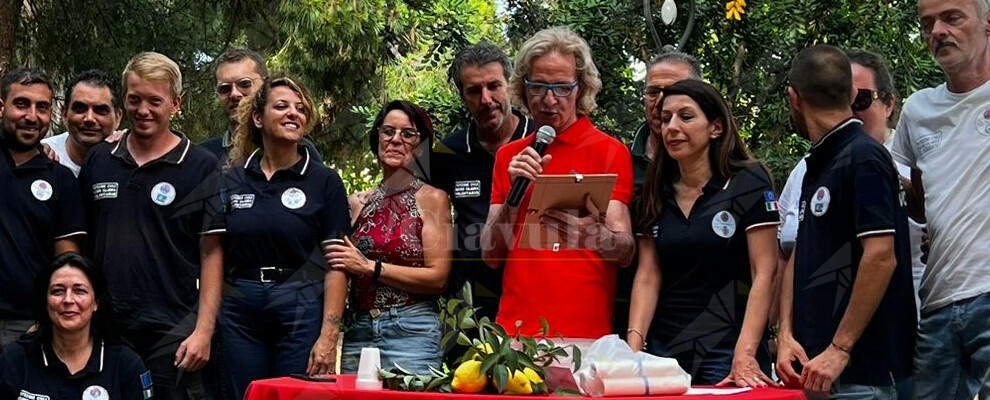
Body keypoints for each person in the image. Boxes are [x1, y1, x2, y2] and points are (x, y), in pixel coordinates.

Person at [78, 51, 224, 399]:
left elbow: (213, 253)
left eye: (155, 101)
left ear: (176, 103)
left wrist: (204, 330)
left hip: (172, 328)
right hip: (105, 325)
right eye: (134, 99)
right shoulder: (100, 159)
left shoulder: (201, 166)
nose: (143, 110)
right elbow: (79, 244)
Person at [776, 45, 915, 399]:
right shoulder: (816, 164)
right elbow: (798, 253)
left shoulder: (865, 157)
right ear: (852, 94)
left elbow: (881, 257)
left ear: (794, 98)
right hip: (814, 367)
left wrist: (840, 348)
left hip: (861, 372)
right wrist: (786, 334)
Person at [481, 26, 634, 340]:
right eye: (538, 86)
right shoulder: (509, 155)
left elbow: (626, 252)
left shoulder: (610, 152)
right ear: (523, 89)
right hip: (515, 335)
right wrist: (513, 196)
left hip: (585, 336)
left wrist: (594, 235)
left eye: (563, 88)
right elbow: (490, 255)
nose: (549, 100)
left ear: (581, 88)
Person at [626, 79, 778, 386]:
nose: (671, 127)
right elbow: (648, 275)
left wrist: (745, 352)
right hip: (664, 351)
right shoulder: (653, 192)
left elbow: (766, 271)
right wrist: (632, 351)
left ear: (716, 128)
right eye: (665, 118)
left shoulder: (748, 180)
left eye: (686, 116)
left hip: (729, 347)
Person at [218, 76, 350, 398]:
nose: (294, 113)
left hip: (300, 303)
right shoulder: (231, 180)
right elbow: (214, 254)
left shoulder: (325, 181)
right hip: (240, 308)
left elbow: (337, 263)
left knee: (295, 394)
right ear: (258, 117)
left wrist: (329, 334)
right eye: (282, 106)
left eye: (300, 108)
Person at [892, 0, 990, 398]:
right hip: (938, 300)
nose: (937, 32)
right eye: (927, 23)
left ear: (988, 24)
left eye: (952, 18)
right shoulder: (918, 110)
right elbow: (919, 203)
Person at [327, 100, 452, 375]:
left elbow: (438, 277)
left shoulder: (433, 199)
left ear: (421, 147)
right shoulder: (357, 203)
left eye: (408, 134)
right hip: (359, 328)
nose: (396, 139)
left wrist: (369, 267)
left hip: (412, 329)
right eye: (388, 132)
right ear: (377, 138)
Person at [432, 41, 534, 321]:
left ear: (510, 86)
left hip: (533, 294)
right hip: (470, 305)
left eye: (494, 86)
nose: (486, 99)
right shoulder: (447, 152)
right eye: (474, 91)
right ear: (463, 98)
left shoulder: (541, 140)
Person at [618, 49, 703, 340]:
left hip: (705, 324)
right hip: (630, 319)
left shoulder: (727, 175)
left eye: (674, 91)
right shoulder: (620, 162)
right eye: (653, 92)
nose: (661, 102)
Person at [0, 68, 85, 346]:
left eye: (42, 107)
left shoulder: (61, 180)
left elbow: (66, 262)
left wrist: (47, 322)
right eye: (21, 104)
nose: (32, 116)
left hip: (27, 327)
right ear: (2, 107)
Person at [0, 252, 152, 399]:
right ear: (45, 302)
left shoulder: (126, 365)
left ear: (96, 303)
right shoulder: (15, 359)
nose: (68, 300)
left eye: (79, 291)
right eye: (58, 291)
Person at [201, 48, 322, 163]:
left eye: (244, 84)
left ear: (265, 85)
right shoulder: (204, 156)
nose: (234, 94)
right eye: (225, 88)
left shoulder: (300, 151)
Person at [41, 69, 122, 177]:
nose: (89, 119)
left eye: (100, 110)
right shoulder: (44, 156)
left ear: (118, 117)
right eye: (80, 109)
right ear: (64, 114)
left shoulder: (130, 157)